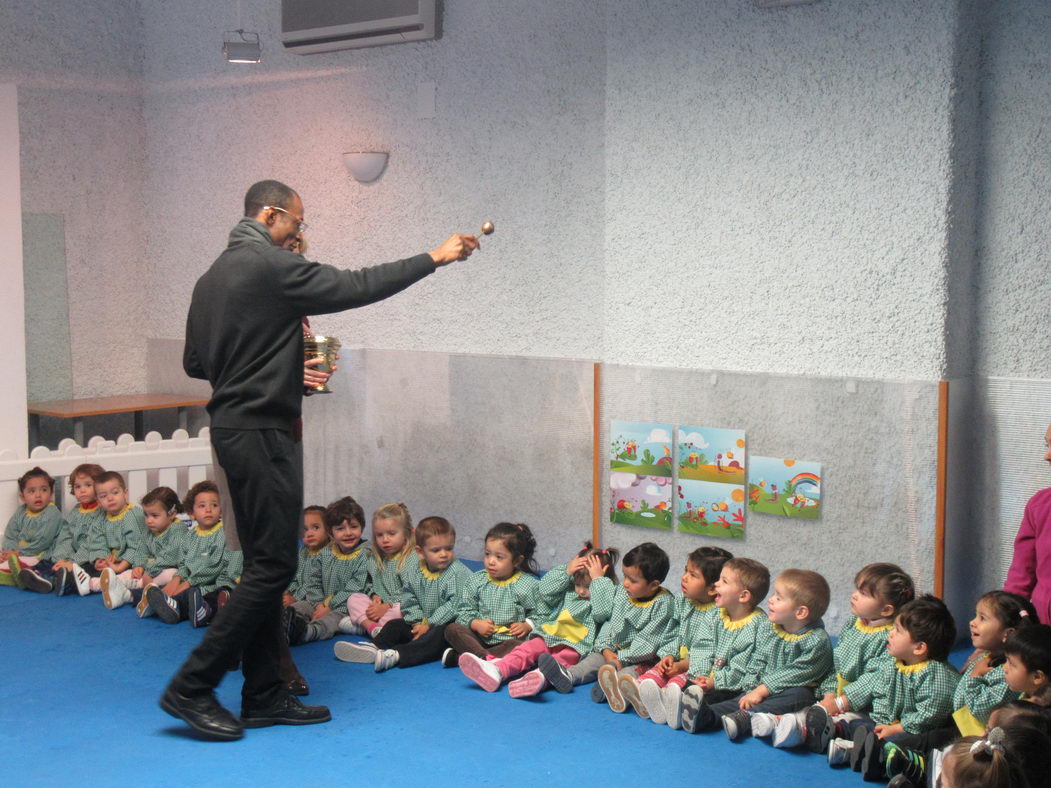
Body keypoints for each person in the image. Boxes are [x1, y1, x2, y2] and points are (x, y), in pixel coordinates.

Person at [165, 179, 478, 740]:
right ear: (271, 213)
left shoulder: (210, 278)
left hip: (235, 428)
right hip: (263, 432)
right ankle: (192, 685)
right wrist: (435, 256)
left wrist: (270, 368)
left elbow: (195, 361)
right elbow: (354, 286)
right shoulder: (267, 264)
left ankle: (262, 695)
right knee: (272, 568)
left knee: (267, 562)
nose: (300, 233)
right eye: (298, 222)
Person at [823, 595, 960, 779]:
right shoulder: (893, 663)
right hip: (892, 722)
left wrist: (897, 728)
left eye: (898, 630)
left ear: (919, 648)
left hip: (916, 730)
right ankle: (844, 735)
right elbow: (880, 692)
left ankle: (868, 755)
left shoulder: (938, 677)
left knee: (902, 742)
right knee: (864, 726)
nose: (890, 633)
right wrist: (882, 722)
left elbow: (929, 715)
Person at [458, 542, 619, 696]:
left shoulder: (606, 592)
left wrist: (599, 582)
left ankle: (539, 679)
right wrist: (567, 571)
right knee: (527, 649)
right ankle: (499, 670)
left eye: (587, 586)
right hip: (550, 635)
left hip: (576, 645)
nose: (581, 591)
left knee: (559, 661)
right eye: (578, 584)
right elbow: (545, 591)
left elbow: (602, 613)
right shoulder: (570, 589)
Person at [799, 563, 916, 753]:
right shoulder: (854, 622)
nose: (854, 595)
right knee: (806, 708)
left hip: (866, 705)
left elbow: (874, 680)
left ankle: (836, 742)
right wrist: (830, 693)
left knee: (843, 722)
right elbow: (836, 662)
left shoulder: (891, 638)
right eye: (857, 589)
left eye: (863, 594)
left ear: (886, 610)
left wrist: (840, 703)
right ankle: (798, 726)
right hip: (838, 695)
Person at [333, 515, 472, 671]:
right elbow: (409, 597)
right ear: (420, 552)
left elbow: (454, 605)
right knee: (396, 624)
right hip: (423, 624)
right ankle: (374, 646)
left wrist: (428, 624)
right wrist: (417, 622)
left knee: (439, 635)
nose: (444, 554)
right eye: (436, 550)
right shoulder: (416, 570)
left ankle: (396, 655)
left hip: (447, 626)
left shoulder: (457, 572)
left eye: (449, 548)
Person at [548, 542, 673, 708]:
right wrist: (605, 649)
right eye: (624, 576)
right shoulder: (623, 591)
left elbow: (648, 643)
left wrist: (619, 658)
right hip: (614, 650)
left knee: (627, 674)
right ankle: (569, 675)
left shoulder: (663, 604)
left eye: (633, 580)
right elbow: (609, 622)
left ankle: (614, 691)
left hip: (643, 658)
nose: (626, 583)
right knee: (592, 661)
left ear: (654, 585)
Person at [635, 546, 732, 726]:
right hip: (678, 660)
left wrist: (682, 665)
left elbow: (711, 653)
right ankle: (647, 696)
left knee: (679, 684)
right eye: (685, 570)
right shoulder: (682, 601)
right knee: (654, 673)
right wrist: (669, 655)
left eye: (693, 575)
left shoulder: (720, 614)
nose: (684, 577)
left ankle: (669, 703)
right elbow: (673, 631)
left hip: (698, 667)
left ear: (712, 589)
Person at [442, 522, 543, 663]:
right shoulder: (477, 580)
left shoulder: (527, 585)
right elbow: (463, 610)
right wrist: (475, 623)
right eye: (487, 554)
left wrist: (527, 625)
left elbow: (542, 614)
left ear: (516, 561)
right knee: (452, 629)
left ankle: (466, 658)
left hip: (509, 641)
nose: (491, 561)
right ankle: (486, 658)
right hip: (479, 639)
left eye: (499, 557)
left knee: (522, 646)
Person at [284, 496, 370, 646]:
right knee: (300, 607)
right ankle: (285, 625)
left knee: (331, 621)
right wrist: (318, 604)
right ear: (331, 533)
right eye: (340, 529)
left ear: (362, 527)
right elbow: (313, 580)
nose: (348, 533)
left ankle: (306, 633)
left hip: (345, 607)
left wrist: (329, 606)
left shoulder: (366, 553)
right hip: (320, 602)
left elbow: (356, 586)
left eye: (354, 527)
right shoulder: (326, 552)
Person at [146, 481, 228, 627]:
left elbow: (214, 566)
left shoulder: (222, 533)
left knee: (193, 595)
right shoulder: (190, 536)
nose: (208, 509)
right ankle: (157, 603)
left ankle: (180, 609)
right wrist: (177, 579)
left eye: (214, 505)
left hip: (210, 583)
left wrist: (187, 583)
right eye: (202, 506)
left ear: (221, 510)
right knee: (162, 589)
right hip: (190, 582)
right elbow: (183, 563)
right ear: (191, 513)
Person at [99, 486, 190, 612]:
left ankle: (128, 589)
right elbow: (141, 548)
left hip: (168, 569)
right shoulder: (150, 529)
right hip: (150, 569)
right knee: (128, 573)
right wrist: (139, 565)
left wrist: (149, 570)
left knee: (170, 573)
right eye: (146, 515)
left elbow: (169, 557)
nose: (148, 520)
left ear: (172, 514)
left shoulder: (178, 530)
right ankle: (100, 584)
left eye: (154, 515)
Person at [22, 463, 106, 595]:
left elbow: (92, 543)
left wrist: (72, 562)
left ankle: (59, 581)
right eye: (77, 486)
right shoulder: (76, 511)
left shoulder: (102, 512)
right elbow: (66, 536)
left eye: (88, 485)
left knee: (88, 570)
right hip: (72, 554)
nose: (82, 490)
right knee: (48, 561)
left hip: (90, 556)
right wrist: (60, 558)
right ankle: (41, 576)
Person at [1003, 423, 1051, 623]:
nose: (1047, 456)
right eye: (1047, 445)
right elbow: (1020, 579)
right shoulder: (1040, 505)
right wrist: (1001, 624)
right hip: (1040, 640)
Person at [345, 502, 414, 637]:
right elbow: (369, 583)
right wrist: (374, 596)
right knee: (354, 598)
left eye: (391, 534)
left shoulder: (410, 559)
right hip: (378, 606)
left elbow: (409, 590)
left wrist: (386, 606)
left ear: (406, 533)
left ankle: (369, 627)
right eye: (379, 535)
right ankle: (371, 627)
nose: (385, 540)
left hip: (396, 606)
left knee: (400, 610)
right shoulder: (374, 558)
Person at [78, 471, 147, 595]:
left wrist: (121, 566)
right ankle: (69, 580)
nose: (110, 498)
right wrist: (101, 559)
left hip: (131, 562)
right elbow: (97, 541)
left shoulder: (132, 515)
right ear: (98, 502)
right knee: (86, 567)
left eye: (115, 493)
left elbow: (137, 545)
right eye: (103, 496)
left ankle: (94, 585)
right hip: (113, 562)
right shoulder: (101, 517)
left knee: (131, 575)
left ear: (125, 493)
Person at [2, 467, 67, 591]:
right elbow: (11, 534)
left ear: (51, 493)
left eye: (44, 490)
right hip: (20, 553)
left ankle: (25, 576)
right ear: (23, 497)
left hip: (41, 554)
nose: (38, 495)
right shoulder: (21, 512)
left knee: (29, 562)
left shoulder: (52, 513)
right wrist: (8, 552)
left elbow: (42, 541)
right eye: (31, 491)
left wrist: (17, 553)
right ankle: (14, 571)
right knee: (6, 560)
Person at [283, 505, 328, 609]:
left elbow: (312, 583)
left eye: (315, 527)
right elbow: (295, 577)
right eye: (304, 530)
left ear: (328, 529)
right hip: (300, 597)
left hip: (317, 601)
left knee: (295, 609)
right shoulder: (303, 552)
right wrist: (289, 592)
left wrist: (295, 598)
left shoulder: (327, 554)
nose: (309, 534)